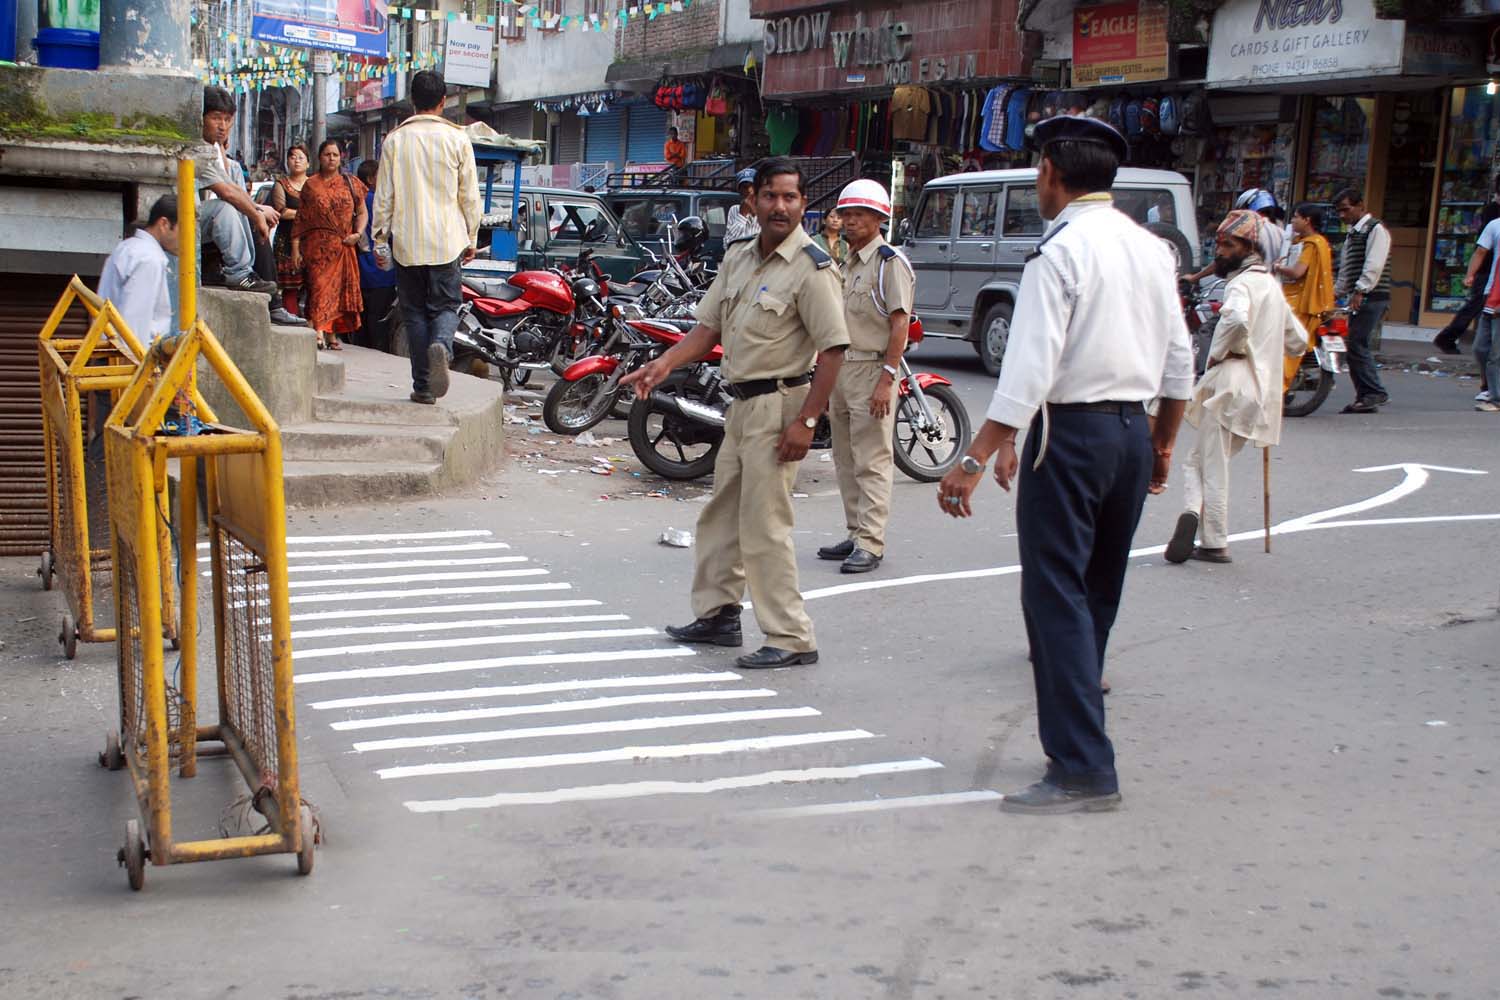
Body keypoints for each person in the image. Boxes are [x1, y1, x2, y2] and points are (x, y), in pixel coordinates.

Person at [934, 115, 1193, 815]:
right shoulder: (1152, 250)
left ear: (1050, 173)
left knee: (1056, 596)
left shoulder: (1060, 252)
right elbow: (1178, 362)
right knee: (1097, 591)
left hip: (1071, 436)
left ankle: (1082, 764)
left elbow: (1029, 365)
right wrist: (1162, 443)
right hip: (1130, 433)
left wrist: (974, 456)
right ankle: (1082, 736)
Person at [619, 158, 849, 669]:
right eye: (770, 196)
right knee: (720, 516)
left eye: (790, 197)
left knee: (765, 525)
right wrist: (662, 365)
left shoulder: (812, 269)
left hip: (782, 403)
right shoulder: (740, 258)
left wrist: (807, 421)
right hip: (739, 407)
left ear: (804, 204)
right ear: (754, 201)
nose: (780, 206)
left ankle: (792, 637)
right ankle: (720, 615)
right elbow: (708, 331)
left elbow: (833, 351)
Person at [1166, 210, 1308, 565]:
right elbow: (1299, 342)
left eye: (1228, 245)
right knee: (1198, 461)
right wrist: (1266, 343)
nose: (1220, 252)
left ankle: (1213, 540)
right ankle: (1192, 512)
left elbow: (1236, 319)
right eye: (1219, 244)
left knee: (1210, 465)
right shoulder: (1273, 289)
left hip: (1231, 380)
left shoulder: (1241, 284)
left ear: (1250, 248)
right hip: (1256, 392)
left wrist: (1227, 349)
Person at [817, 181, 912, 574]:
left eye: (860, 215)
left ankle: (871, 542)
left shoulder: (890, 263)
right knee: (844, 457)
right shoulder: (847, 263)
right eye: (847, 214)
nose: (851, 221)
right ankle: (856, 531)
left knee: (871, 459)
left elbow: (900, 321)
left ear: (879, 219)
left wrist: (887, 378)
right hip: (843, 369)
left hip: (873, 368)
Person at [372, 70, 481, 404]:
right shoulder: (458, 139)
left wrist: (380, 238)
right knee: (447, 305)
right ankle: (443, 345)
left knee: (415, 314)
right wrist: (472, 236)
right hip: (446, 240)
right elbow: (469, 196)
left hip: (407, 244)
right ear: (443, 101)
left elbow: (384, 195)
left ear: (412, 101)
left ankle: (422, 388)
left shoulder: (394, 140)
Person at [194, 87, 306, 327]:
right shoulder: (195, 149)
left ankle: (270, 300)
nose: (223, 126)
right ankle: (240, 274)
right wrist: (256, 214)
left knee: (249, 213)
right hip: (181, 224)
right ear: (200, 118)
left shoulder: (210, 151)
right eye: (216, 118)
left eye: (227, 120)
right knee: (229, 209)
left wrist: (256, 213)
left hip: (196, 223)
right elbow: (227, 192)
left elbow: (233, 190)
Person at [293, 140, 367, 351]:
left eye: (335, 155)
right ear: (319, 157)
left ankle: (332, 334)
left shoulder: (351, 183)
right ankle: (318, 332)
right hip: (316, 248)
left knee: (338, 292)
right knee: (318, 288)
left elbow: (362, 212)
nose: (331, 158)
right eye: (327, 154)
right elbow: (301, 218)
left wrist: (357, 234)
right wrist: (296, 247)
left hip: (343, 245)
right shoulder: (311, 185)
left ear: (340, 157)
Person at [1332, 187, 1392, 414]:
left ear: (1360, 206)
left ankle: (1374, 391)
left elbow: (1374, 266)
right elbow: (1347, 270)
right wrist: (1336, 292)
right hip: (1360, 294)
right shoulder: (1353, 234)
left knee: (1357, 342)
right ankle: (1366, 394)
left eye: (1346, 210)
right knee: (1353, 343)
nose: (1342, 215)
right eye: (1339, 211)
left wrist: (1360, 291)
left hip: (1373, 296)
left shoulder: (1376, 229)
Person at [1433, 176, 1500, 356]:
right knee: (1477, 305)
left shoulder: (1491, 211)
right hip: (1488, 270)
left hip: (1487, 269)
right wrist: (1472, 273)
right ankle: (1447, 337)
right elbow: (1482, 250)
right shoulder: (1494, 212)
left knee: (1480, 306)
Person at [98, 195, 178, 343]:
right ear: (164, 224)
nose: (189, 240)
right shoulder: (149, 259)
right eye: (185, 231)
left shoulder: (126, 247)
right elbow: (134, 326)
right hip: (127, 359)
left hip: (109, 351)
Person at [1274, 202, 1334, 393]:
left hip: (1300, 303)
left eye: (1296, 217)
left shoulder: (1311, 244)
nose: (1292, 221)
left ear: (1307, 220)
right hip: (1298, 299)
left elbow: (1297, 272)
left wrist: (1278, 268)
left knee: (1286, 349)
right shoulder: (1309, 242)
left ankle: (1278, 390)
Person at [355, 158, 397, 353]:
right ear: (371, 179)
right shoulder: (378, 202)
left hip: (361, 269)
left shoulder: (357, 200)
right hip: (382, 271)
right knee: (379, 319)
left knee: (363, 319)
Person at [269, 144, 310, 319]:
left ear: (308, 163)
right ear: (287, 162)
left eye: (301, 157)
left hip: (311, 240)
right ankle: (291, 319)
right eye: (293, 157)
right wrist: (308, 214)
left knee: (314, 285)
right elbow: (282, 211)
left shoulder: (313, 184)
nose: (296, 161)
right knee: (290, 287)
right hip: (286, 241)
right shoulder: (281, 184)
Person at [1473, 214, 1500, 413]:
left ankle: (1496, 398)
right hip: (1491, 300)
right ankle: (1490, 388)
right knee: (1481, 348)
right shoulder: (1495, 225)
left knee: (1495, 355)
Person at [723, 167, 760, 244]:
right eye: (745, 187)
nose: (749, 190)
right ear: (739, 190)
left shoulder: (766, 210)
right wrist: (742, 215)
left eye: (752, 186)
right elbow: (728, 244)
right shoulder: (734, 210)